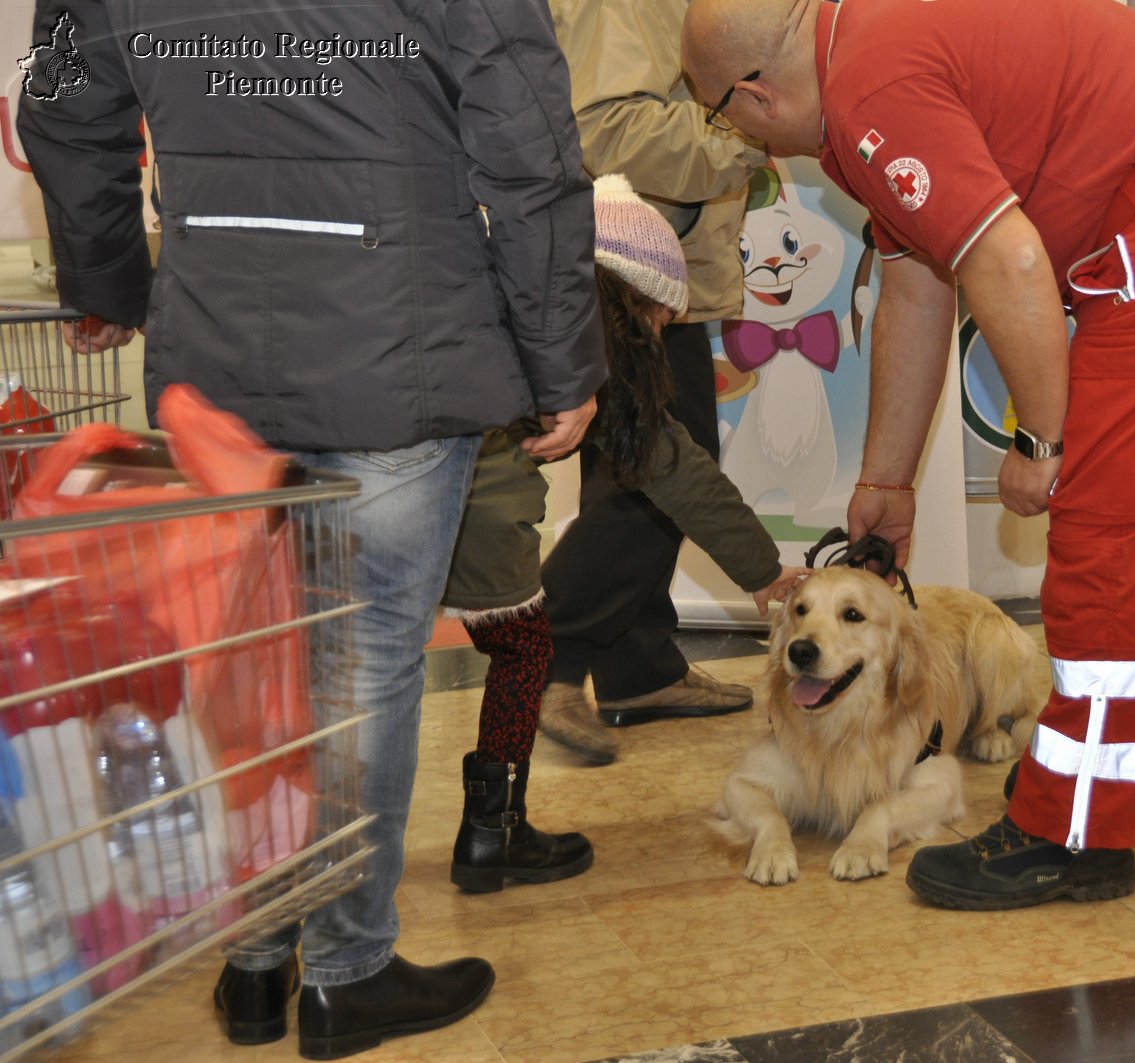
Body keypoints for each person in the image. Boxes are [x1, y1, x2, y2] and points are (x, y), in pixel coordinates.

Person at [18, 0, 607, 1056]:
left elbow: (63, 106)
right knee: (364, 665)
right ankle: (349, 968)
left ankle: (256, 960)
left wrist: (105, 278)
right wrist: (561, 356)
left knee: (248, 659)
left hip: (216, 353)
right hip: (399, 349)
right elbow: (527, 149)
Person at [682, 0, 1135, 908]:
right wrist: (887, 480)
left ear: (754, 95)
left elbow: (1012, 263)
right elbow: (919, 284)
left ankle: (1073, 831)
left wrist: (1042, 437)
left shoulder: (870, 87)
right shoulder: (869, 52)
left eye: (719, 114)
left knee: (1115, 528)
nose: (737, 136)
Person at [442, 174, 806, 893]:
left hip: (388, 508)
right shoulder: (583, 351)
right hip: (466, 512)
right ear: (622, 297)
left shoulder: (500, 309)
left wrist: (762, 569)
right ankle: (492, 832)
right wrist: (767, 574)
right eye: (655, 315)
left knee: (370, 671)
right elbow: (675, 469)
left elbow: (673, 468)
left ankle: (346, 852)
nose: (657, 333)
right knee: (523, 650)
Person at [533, 0, 774, 766]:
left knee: (632, 477)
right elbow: (602, 130)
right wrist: (750, 131)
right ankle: (547, 649)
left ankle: (639, 666)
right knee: (657, 474)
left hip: (649, 274)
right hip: (627, 280)